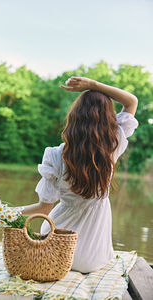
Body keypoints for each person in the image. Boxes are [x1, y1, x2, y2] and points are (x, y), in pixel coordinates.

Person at [18, 77, 138, 273]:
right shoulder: (113, 145)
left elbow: (44, 209)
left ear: (74, 117)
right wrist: (94, 85)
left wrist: (7, 211)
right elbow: (131, 101)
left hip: (55, 247)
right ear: (108, 119)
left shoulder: (55, 155)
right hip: (91, 257)